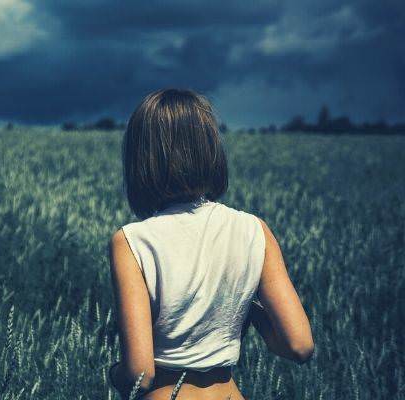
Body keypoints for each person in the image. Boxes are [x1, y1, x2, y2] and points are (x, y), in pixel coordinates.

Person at [108, 89, 314, 399]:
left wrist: (113, 374)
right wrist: (245, 308)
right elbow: (299, 345)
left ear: (141, 159)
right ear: (210, 150)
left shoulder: (132, 241)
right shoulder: (254, 229)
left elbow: (141, 373)